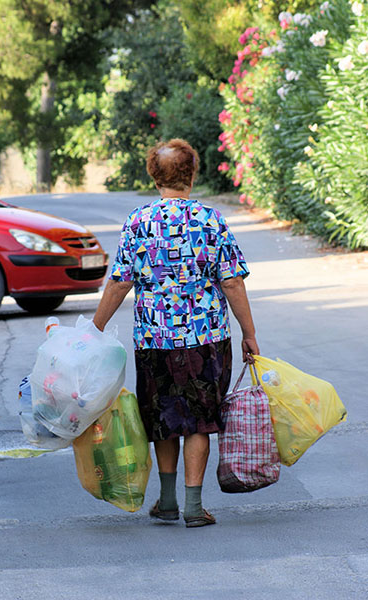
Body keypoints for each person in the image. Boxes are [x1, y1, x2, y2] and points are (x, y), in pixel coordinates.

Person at [93, 138, 259, 528]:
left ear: (153, 174)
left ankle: (166, 501)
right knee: (200, 420)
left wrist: (93, 329)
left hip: (155, 341)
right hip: (206, 339)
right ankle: (192, 505)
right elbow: (232, 282)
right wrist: (249, 333)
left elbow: (119, 283)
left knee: (164, 417)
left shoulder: (139, 221)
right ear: (192, 173)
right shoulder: (210, 220)